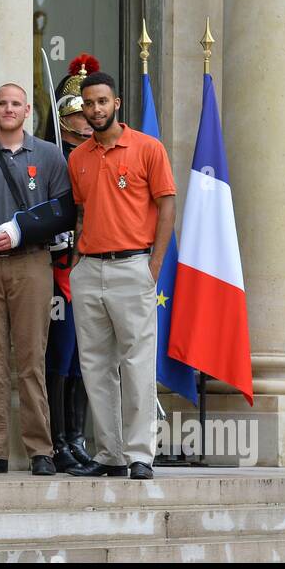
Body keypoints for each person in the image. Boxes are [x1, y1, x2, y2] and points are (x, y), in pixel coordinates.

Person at [66, 71, 176, 479]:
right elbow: (80, 211)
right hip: (90, 268)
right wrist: (78, 259)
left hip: (134, 266)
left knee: (136, 363)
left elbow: (167, 205)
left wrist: (155, 265)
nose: (95, 110)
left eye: (101, 102)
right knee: (95, 365)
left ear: (117, 104)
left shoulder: (148, 148)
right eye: (88, 104)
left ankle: (140, 454)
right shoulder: (77, 158)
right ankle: (109, 454)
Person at [0, 83, 71, 476]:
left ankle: (41, 450)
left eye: (16, 104)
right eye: (2, 103)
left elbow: (63, 212)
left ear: (27, 111)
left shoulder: (50, 155)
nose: (9, 109)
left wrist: (24, 231)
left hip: (31, 264)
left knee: (31, 359)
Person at [41, 55, 99, 471]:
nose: (84, 120)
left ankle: (78, 437)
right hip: (56, 268)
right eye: (76, 114)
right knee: (59, 356)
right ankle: (57, 439)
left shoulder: (97, 156)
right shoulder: (50, 158)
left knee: (84, 356)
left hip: (91, 267)